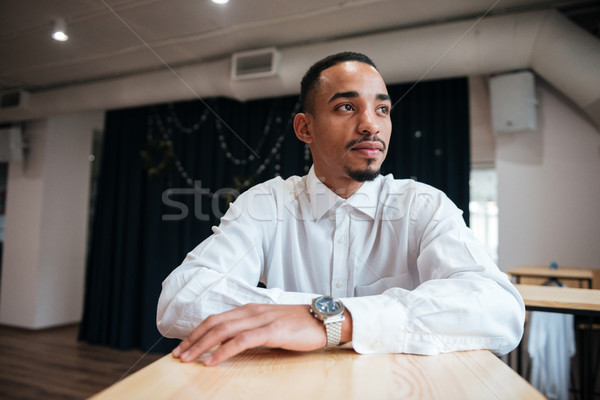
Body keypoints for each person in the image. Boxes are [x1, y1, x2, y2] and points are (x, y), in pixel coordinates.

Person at [157, 51, 525, 366]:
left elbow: (499, 311)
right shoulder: (266, 203)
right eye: (346, 107)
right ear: (305, 128)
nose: (370, 124)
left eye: (382, 109)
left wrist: (333, 320)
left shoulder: (423, 204)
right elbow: (181, 300)